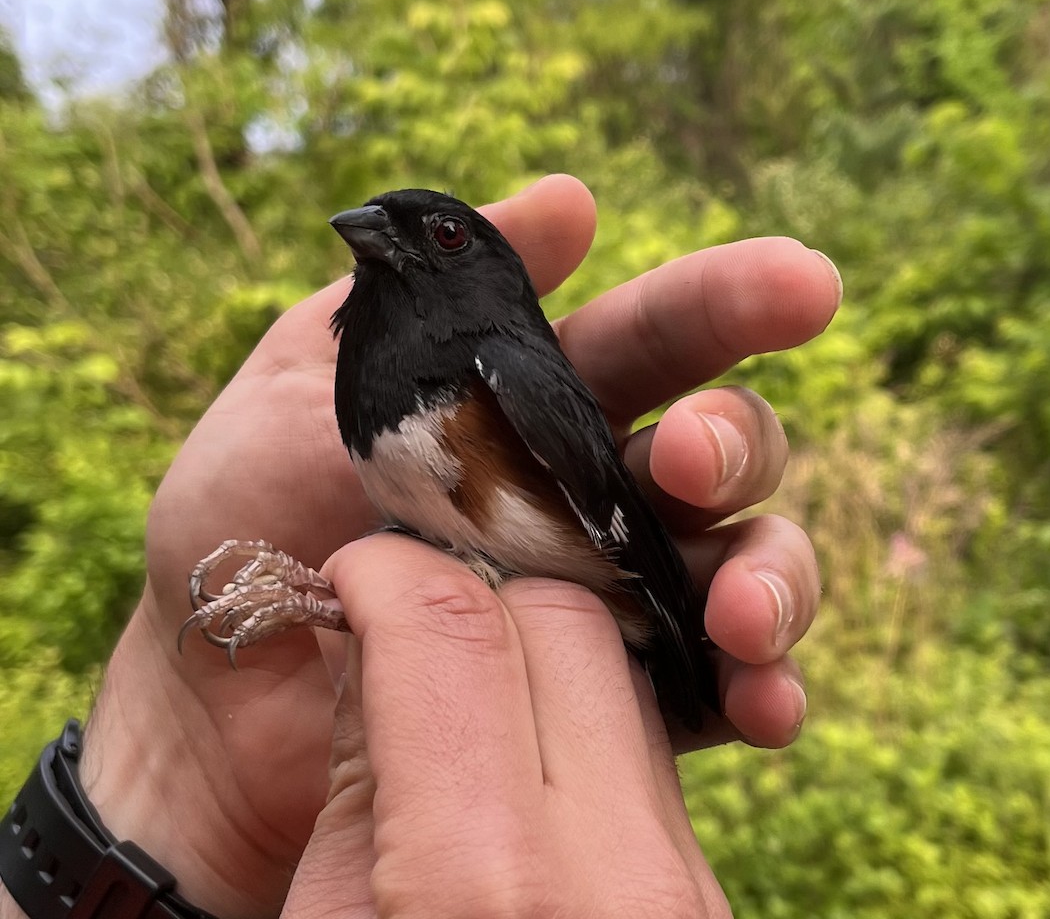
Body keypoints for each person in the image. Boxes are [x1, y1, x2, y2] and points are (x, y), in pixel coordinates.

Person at [0, 176, 837, 919]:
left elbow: (611, 555)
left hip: (595, 615)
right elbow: (437, 553)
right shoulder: (358, 364)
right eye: (386, 227)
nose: (365, 230)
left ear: (487, 275)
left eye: (437, 236)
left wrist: (682, 645)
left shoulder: (509, 367)